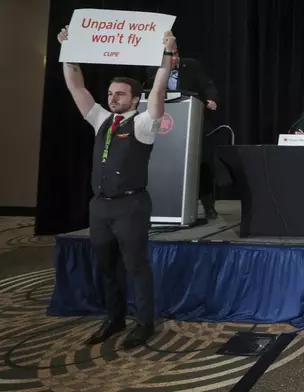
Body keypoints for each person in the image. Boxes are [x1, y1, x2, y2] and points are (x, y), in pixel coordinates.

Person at [57, 26, 175, 349]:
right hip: (101, 206)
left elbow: (158, 96)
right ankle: (115, 317)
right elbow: (76, 86)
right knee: (106, 265)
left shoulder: (143, 124)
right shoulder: (101, 119)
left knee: (136, 266)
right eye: (110, 93)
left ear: (135, 98)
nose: (113, 98)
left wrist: (166, 58)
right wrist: (69, 51)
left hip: (131, 206)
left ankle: (145, 323)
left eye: (120, 94)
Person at [146, 46, 219, 219]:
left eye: (175, 54)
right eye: (168, 56)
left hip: (192, 122)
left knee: (203, 164)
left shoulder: (191, 66)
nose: (173, 59)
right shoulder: (152, 70)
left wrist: (211, 99)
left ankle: (208, 205)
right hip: (164, 127)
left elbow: (208, 85)